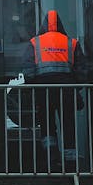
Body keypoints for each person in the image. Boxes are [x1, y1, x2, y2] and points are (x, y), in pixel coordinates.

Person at [26, 9, 85, 166]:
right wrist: (77, 87)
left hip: (43, 89)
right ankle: (70, 160)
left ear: (44, 24)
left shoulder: (35, 42)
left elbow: (28, 70)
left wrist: (32, 87)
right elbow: (81, 70)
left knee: (47, 123)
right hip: (66, 89)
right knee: (68, 123)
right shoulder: (71, 42)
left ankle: (51, 157)